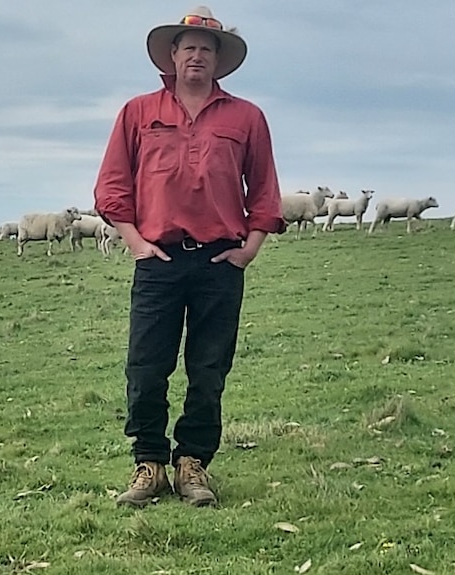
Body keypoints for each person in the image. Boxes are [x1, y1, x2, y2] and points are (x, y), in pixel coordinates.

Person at [93, 5, 285, 508]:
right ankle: (149, 463)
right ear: (173, 56)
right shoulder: (138, 112)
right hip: (157, 259)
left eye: (207, 49)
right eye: (189, 47)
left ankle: (193, 463)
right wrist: (136, 243)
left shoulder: (247, 117)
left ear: (218, 60)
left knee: (208, 367)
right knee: (146, 365)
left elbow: (264, 190)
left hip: (220, 262)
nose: (197, 56)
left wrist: (248, 251)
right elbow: (112, 186)